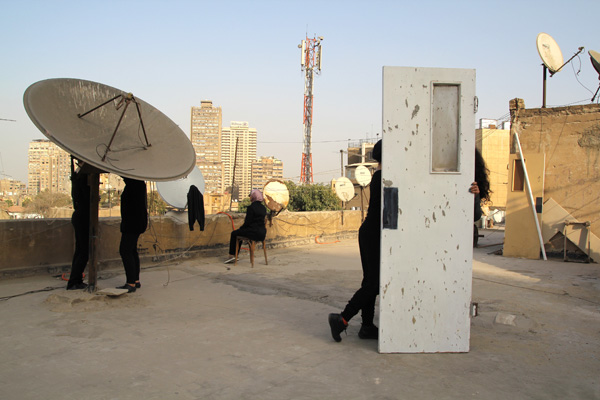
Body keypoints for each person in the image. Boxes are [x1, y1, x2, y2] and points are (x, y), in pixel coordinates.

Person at [328, 139, 382, 342]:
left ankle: (367, 326)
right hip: (372, 234)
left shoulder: (378, 177)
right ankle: (342, 318)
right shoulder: (382, 178)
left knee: (370, 282)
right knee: (374, 284)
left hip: (370, 233)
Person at [116, 178, 148, 293]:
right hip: (137, 224)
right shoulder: (139, 184)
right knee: (132, 250)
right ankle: (135, 280)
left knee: (125, 250)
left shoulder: (134, 185)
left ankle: (130, 283)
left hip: (132, 224)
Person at [224, 189, 267, 264]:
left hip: (252, 233)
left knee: (234, 233)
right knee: (239, 233)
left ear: (254, 196)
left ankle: (232, 255)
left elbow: (247, 222)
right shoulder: (263, 208)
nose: (250, 197)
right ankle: (235, 255)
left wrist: (241, 229)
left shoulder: (251, 207)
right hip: (262, 233)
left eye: (250, 196)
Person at [66, 161, 90, 290]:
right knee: (84, 251)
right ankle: (74, 281)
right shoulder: (83, 179)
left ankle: (75, 280)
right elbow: (88, 198)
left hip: (79, 216)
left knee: (81, 250)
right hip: (83, 217)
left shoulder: (77, 178)